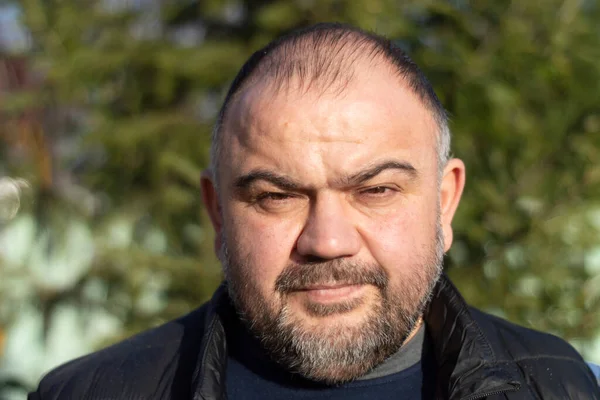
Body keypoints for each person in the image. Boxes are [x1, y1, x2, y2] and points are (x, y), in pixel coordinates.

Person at [29, 23, 600, 400]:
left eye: (376, 190)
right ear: (219, 216)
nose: (327, 241)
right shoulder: (95, 392)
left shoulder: (556, 384)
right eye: (276, 197)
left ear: (445, 202)